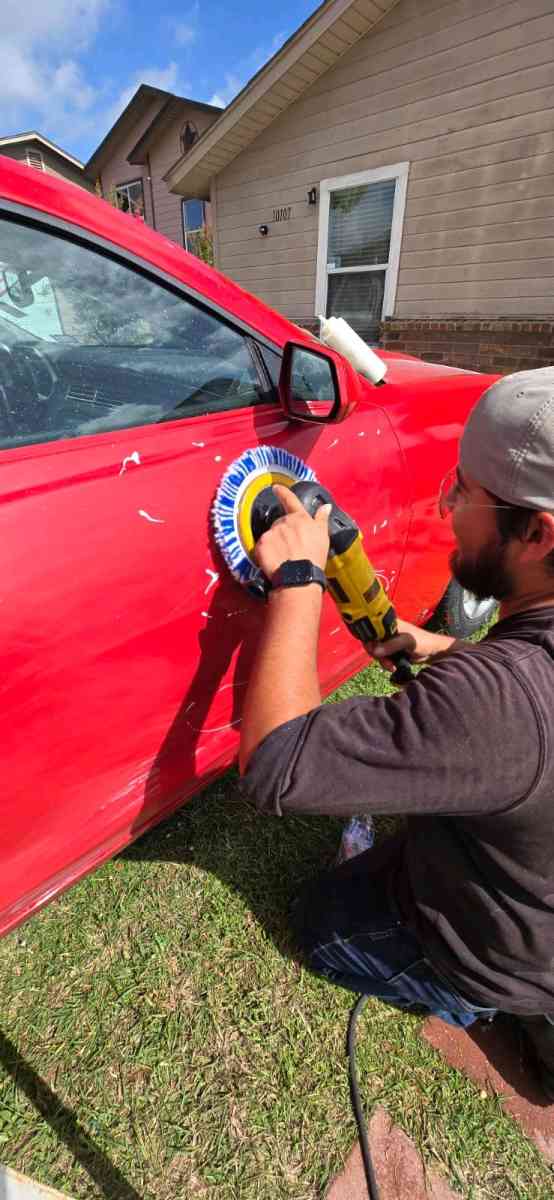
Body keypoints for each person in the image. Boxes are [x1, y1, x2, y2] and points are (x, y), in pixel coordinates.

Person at [239, 368, 554, 1099]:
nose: (449, 505)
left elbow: (274, 768)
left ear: (537, 532)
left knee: (319, 922)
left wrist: (296, 580)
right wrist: (449, 650)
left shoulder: (498, 706)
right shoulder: (508, 689)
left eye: (467, 493)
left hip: (502, 951)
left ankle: (474, 998)